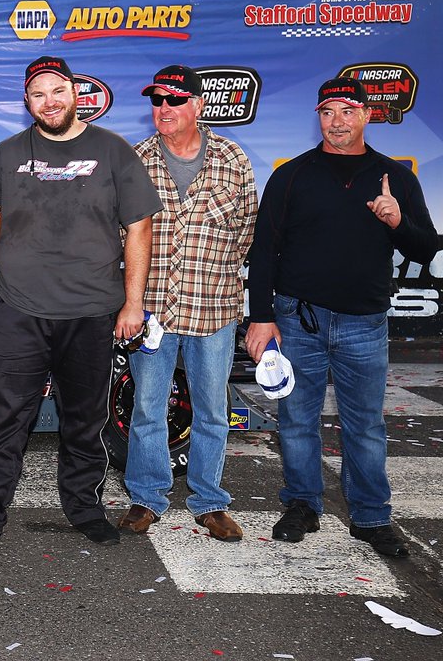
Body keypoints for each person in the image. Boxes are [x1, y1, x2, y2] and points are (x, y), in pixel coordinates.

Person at [0, 55, 161, 554]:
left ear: (75, 93)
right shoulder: (5, 153)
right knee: (5, 418)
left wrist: (133, 303)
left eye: (57, 90)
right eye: (38, 94)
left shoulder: (113, 151)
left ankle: (85, 508)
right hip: (21, 311)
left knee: (85, 419)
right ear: (28, 103)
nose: (50, 101)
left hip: (91, 312)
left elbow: (139, 228)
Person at [246, 76, 438, 558]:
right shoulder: (291, 175)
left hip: (364, 322)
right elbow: (265, 250)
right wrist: (262, 316)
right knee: (295, 419)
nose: (337, 122)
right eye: (328, 112)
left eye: (348, 112)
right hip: (297, 318)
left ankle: (372, 517)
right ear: (319, 116)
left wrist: (397, 219)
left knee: (366, 425)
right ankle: (302, 504)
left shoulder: (396, 177)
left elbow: (425, 247)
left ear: (367, 116)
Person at [118, 65, 257, 541]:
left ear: (199, 106)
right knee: (148, 408)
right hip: (152, 309)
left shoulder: (232, 158)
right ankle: (146, 497)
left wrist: (212, 277)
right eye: (157, 101)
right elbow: (122, 234)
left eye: (175, 100)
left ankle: (209, 501)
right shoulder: (136, 160)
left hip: (213, 308)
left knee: (212, 410)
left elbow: (246, 233)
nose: (164, 109)